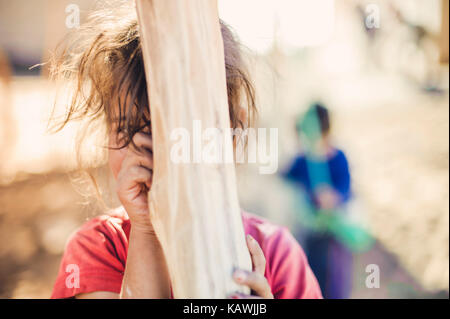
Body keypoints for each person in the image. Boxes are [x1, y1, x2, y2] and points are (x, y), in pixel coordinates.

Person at [50, 4, 322, 299]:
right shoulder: (99, 249)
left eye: (174, 132)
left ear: (233, 133)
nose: (150, 153)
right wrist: (147, 230)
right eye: (126, 129)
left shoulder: (277, 256)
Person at [283, 103, 353, 299]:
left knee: (336, 280)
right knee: (314, 274)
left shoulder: (338, 157)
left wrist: (334, 196)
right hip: (312, 232)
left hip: (335, 232)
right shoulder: (303, 160)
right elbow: (285, 177)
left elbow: (346, 188)